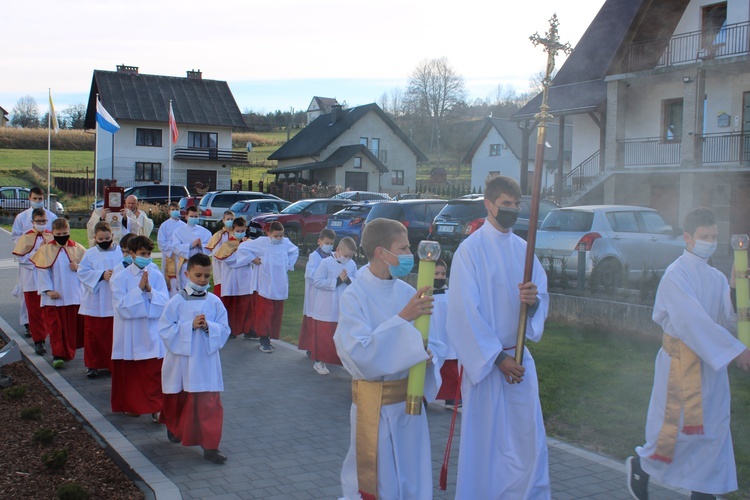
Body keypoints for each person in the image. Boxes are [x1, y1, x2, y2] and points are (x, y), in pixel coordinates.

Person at [626, 207, 750, 500]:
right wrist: (737, 353)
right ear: (688, 237)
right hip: (680, 368)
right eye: (704, 236)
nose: (710, 241)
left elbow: (729, 321)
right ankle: (641, 467)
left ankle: (703, 493)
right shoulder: (675, 275)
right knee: (676, 434)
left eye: (714, 236)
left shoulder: (717, 276)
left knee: (713, 433)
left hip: (711, 368)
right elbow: (693, 323)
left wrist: (736, 285)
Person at [446, 175, 550, 499]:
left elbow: (541, 297)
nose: (512, 210)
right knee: (487, 444)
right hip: (489, 365)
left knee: (527, 441)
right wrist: (498, 358)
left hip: (519, 362)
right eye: (506, 204)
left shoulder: (525, 250)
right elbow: (464, 311)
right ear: (489, 205)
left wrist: (533, 303)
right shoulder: (470, 252)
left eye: (517, 205)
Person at [333, 218, 440, 499]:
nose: (409, 255)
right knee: (377, 479)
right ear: (381, 252)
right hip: (374, 407)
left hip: (409, 404)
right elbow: (360, 355)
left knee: (411, 476)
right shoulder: (354, 295)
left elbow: (428, 340)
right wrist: (404, 318)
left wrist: (429, 356)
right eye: (403, 248)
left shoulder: (407, 292)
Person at [158, 253, 231, 464]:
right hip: (182, 362)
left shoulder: (215, 302)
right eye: (198, 275)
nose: (202, 280)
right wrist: (189, 326)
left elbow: (225, 329)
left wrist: (210, 327)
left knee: (209, 404)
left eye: (206, 276)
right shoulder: (176, 302)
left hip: (206, 362)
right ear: (187, 273)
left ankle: (210, 447)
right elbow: (164, 330)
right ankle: (175, 428)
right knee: (178, 399)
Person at [110, 235, 168, 420]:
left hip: (150, 330)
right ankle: (134, 405)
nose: (147, 257)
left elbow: (165, 303)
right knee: (133, 373)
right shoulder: (120, 277)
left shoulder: (156, 273)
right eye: (143, 253)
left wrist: (150, 290)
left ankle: (156, 407)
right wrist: (138, 290)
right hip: (130, 332)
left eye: (149, 253)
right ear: (132, 254)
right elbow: (121, 307)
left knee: (152, 371)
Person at [31, 217, 87, 370]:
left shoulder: (78, 248)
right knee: (55, 328)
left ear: (69, 232)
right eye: (59, 233)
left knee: (69, 329)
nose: (62, 236)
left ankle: (67, 353)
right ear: (53, 233)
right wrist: (48, 290)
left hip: (72, 296)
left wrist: (78, 267)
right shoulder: (45, 249)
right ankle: (57, 354)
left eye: (65, 233)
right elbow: (41, 271)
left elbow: (88, 270)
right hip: (53, 298)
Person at [236, 221, 298, 353]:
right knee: (265, 313)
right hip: (265, 284)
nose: (279, 239)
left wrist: (288, 264)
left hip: (279, 283)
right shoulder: (261, 242)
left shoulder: (285, 243)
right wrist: (252, 258)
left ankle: (269, 337)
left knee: (275, 313)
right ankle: (263, 339)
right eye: (276, 236)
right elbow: (243, 248)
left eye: (281, 236)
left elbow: (295, 251)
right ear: (269, 233)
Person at [77, 222, 123, 378]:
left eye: (107, 238)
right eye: (101, 238)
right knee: (92, 335)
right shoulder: (89, 253)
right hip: (95, 300)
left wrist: (115, 276)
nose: (104, 241)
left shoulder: (119, 253)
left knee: (112, 335)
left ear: (112, 236)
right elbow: (82, 273)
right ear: (95, 238)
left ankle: (112, 364)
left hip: (113, 300)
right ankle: (92, 365)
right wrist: (101, 275)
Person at [11, 187, 57, 337]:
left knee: (46, 295)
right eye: (35, 198)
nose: (37, 201)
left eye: (40, 198)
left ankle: (44, 327)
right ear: (29, 198)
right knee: (28, 297)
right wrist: (29, 244)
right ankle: (28, 323)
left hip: (46, 262)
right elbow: (16, 236)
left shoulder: (51, 216)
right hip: (28, 262)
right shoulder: (21, 217)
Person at [309, 236, 357, 375]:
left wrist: (348, 280)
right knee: (325, 334)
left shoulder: (351, 264)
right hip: (326, 304)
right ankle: (319, 362)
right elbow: (317, 281)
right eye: (346, 255)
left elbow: (357, 281)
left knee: (341, 335)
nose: (347, 258)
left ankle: (343, 362)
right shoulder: (326, 263)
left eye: (350, 256)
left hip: (343, 304)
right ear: (338, 250)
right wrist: (336, 281)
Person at [12, 207, 53, 355]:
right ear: (32, 222)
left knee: (47, 311)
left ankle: (46, 336)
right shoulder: (26, 237)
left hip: (46, 279)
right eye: (39, 221)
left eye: (44, 221)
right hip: (30, 279)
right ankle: (38, 341)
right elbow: (22, 259)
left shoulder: (51, 236)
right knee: (34, 312)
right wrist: (38, 251)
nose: (42, 224)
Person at [213, 217, 255, 337]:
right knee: (232, 307)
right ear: (233, 230)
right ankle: (231, 330)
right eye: (238, 230)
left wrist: (247, 258)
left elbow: (255, 260)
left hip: (245, 278)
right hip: (231, 279)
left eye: (242, 230)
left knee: (246, 306)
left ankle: (248, 330)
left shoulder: (249, 243)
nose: (240, 233)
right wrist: (246, 258)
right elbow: (229, 261)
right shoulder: (227, 245)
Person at [298, 229, 335, 356]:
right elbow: (310, 275)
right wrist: (325, 279)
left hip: (327, 294)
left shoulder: (333, 256)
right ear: (319, 241)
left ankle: (320, 348)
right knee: (314, 320)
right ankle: (311, 347)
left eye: (331, 244)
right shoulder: (314, 257)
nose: (329, 246)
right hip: (315, 293)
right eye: (327, 243)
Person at [431, 259, 461, 409]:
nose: (440, 276)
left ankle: (451, 396)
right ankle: (425, 395)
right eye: (436, 273)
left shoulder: (451, 293)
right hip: (432, 333)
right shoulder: (423, 293)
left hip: (447, 334)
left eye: (443, 273)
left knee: (450, 365)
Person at [170, 206, 211, 292]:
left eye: (196, 217)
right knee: (186, 288)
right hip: (186, 264)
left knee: (200, 287)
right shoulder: (178, 231)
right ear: (186, 217)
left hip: (201, 265)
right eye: (191, 216)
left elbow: (210, 247)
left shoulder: (205, 232)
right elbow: (175, 247)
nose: (194, 218)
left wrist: (201, 246)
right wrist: (190, 246)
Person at [157, 201, 186, 295]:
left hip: (180, 256)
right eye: (173, 210)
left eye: (177, 209)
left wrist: (179, 249)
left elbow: (185, 240)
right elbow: (161, 241)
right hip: (169, 255)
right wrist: (172, 249)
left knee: (180, 277)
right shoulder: (164, 225)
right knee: (169, 278)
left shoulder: (183, 226)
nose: (175, 211)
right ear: (169, 211)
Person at [205, 210, 234, 298]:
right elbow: (216, 253)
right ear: (223, 220)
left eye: (232, 219)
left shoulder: (236, 234)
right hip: (222, 269)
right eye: (228, 219)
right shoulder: (218, 235)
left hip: (234, 270)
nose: (230, 221)